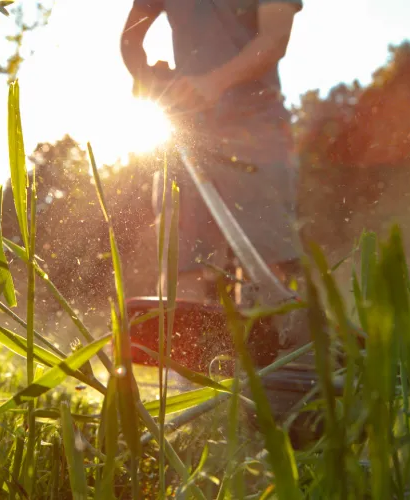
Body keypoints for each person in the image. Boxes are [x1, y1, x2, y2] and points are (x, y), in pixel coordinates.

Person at [120, 0, 309, 358]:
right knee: (183, 256)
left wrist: (215, 82)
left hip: (255, 125)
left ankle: (271, 363)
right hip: (186, 125)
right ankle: (184, 373)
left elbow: (274, 40)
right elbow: (131, 38)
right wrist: (144, 76)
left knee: (265, 254)